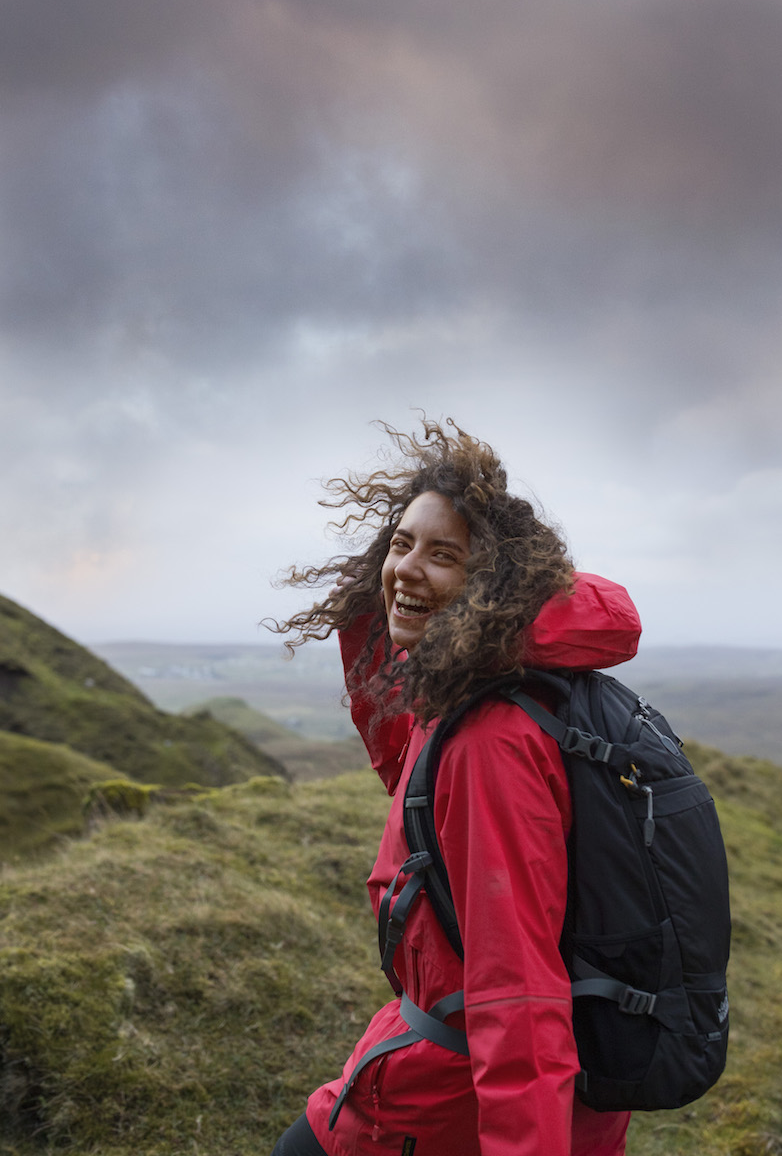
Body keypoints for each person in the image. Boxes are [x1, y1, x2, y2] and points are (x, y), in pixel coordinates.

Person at [271, 418, 641, 1156]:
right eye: (401, 543)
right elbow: (401, 772)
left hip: (450, 1105)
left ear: (491, 587)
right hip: (452, 1072)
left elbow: (520, 995)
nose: (407, 568)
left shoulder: (487, 743)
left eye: (444, 556)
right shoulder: (471, 692)